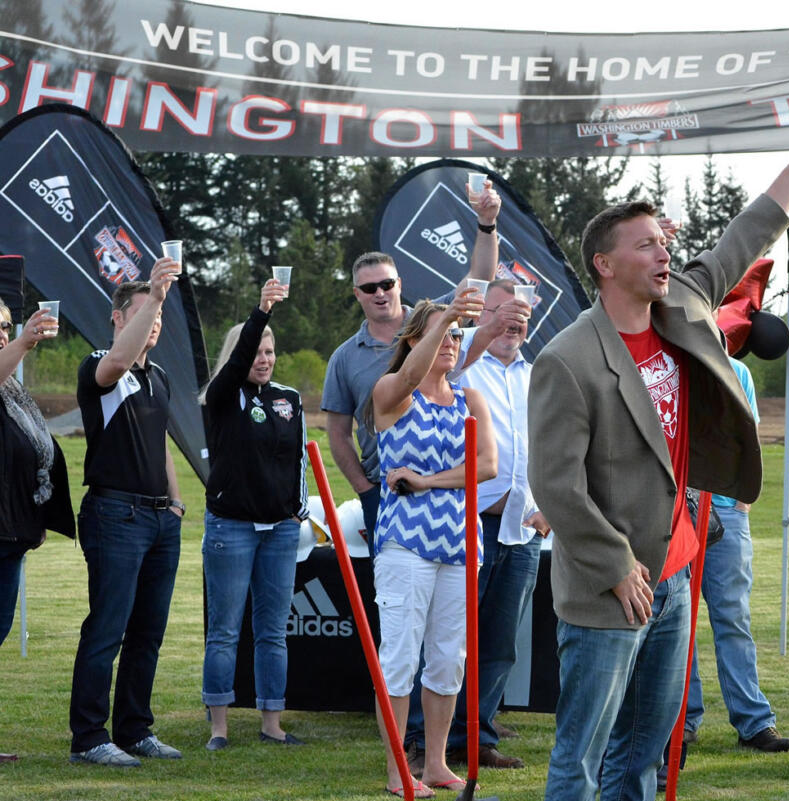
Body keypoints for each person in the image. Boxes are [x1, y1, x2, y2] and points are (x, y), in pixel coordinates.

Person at [529, 124, 789, 801]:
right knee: (581, 754)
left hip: (675, 571)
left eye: (664, 243)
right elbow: (557, 484)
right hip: (610, 587)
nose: (664, 253)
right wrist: (615, 564)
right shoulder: (567, 360)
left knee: (644, 750)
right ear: (606, 264)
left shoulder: (684, 306)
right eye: (646, 244)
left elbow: (741, 241)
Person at [368, 295, 496, 799]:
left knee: (448, 660)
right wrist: (444, 315)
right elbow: (403, 380)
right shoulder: (391, 392)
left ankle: (438, 762)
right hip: (405, 545)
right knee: (399, 657)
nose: (451, 342)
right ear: (414, 341)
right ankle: (399, 768)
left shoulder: (470, 399)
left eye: (457, 335)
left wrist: (425, 481)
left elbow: (485, 466)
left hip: (462, 544)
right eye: (441, 333)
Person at [323, 184, 501, 540]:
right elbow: (338, 433)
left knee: (453, 590)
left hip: (447, 481)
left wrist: (486, 223)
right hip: (388, 486)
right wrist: (364, 489)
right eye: (370, 288)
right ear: (357, 294)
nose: (380, 293)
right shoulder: (345, 357)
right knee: (394, 590)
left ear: (399, 284)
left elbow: (480, 277)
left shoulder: (434, 321)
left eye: (386, 283)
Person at [69, 265, 188, 767]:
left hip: (160, 519)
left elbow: (159, 443)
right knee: (108, 629)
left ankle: (135, 729)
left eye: (159, 314)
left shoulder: (157, 377)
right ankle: (89, 738)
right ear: (118, 319)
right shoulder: (101, 364)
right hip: (115, 515)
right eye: (145, 314)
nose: (156, 321)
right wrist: (158, 295)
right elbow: (118, 359)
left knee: (148, 631)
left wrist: (176, 502)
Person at [199, 278, 308, 751]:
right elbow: (237, 364)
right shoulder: (221, 397)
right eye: (256, 351)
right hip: (232, 528)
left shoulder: (288, 399)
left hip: (280, 530)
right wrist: (261, 311)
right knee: (224, 629)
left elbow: (298, 459)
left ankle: (272, 723)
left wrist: (298, 511)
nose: (264, 359)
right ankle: (219, 727)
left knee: (273, 631)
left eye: (270, 351)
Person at [439, 278, 540, 770]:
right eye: (502, 312)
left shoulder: (537, 374)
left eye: (520, 316)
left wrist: (547, 511)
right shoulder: (460, 367)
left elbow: (551, 446)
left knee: (499, 645)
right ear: (482, 317)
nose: (512, 322)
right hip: (468, 522)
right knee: (449, 637)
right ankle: (426, 740)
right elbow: (448, 367)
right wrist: (482, 329)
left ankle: (476, 739)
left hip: (521, 531)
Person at [685, 354, 789, 751]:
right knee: (676, 620)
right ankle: (680, 722)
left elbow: (747, 439)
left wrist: (742, 501)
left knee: (733, 617)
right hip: (673, 508)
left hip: (726, 511)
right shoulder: (660, 358)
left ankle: (753, 723)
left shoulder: (738, 371)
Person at [0, 299, 74, 765]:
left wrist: (36, 518)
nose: (1, 332)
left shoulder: (13, 392)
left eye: (6, 326)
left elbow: (29, 454)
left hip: (11, 535)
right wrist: (27, 339)